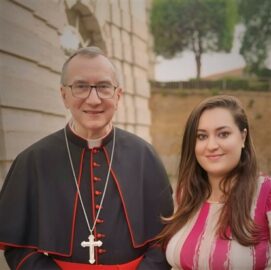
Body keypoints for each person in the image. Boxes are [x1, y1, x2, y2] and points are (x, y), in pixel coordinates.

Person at [0, 46, 173, 269]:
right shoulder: (33, 160)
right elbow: (18, 247)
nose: (93, 100)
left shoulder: (144, 156)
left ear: (118, 95)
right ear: (64, 95)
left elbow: (165, 238)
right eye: (81, 87)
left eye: (103, 87)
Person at [159, 95, 271, 269]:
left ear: (243, 137)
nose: (211, 145)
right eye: (201, 136)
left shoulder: (266, 192)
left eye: (223, 134)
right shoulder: (184, 194)